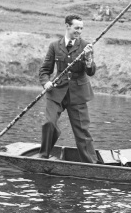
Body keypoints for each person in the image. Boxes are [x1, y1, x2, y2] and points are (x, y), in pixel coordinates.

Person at [38, 14, 98, 163]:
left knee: (82, 131)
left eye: (81, 29)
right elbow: (45, 70)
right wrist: (46, 83)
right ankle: (43, 157)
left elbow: (90, 72)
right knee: (49, 123)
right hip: (56, 92)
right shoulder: (54, 46)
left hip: (78, 93)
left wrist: (89, 60)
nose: (79, 31)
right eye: (76, 28)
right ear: (67, 26)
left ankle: (91, 164)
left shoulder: (86, 46)